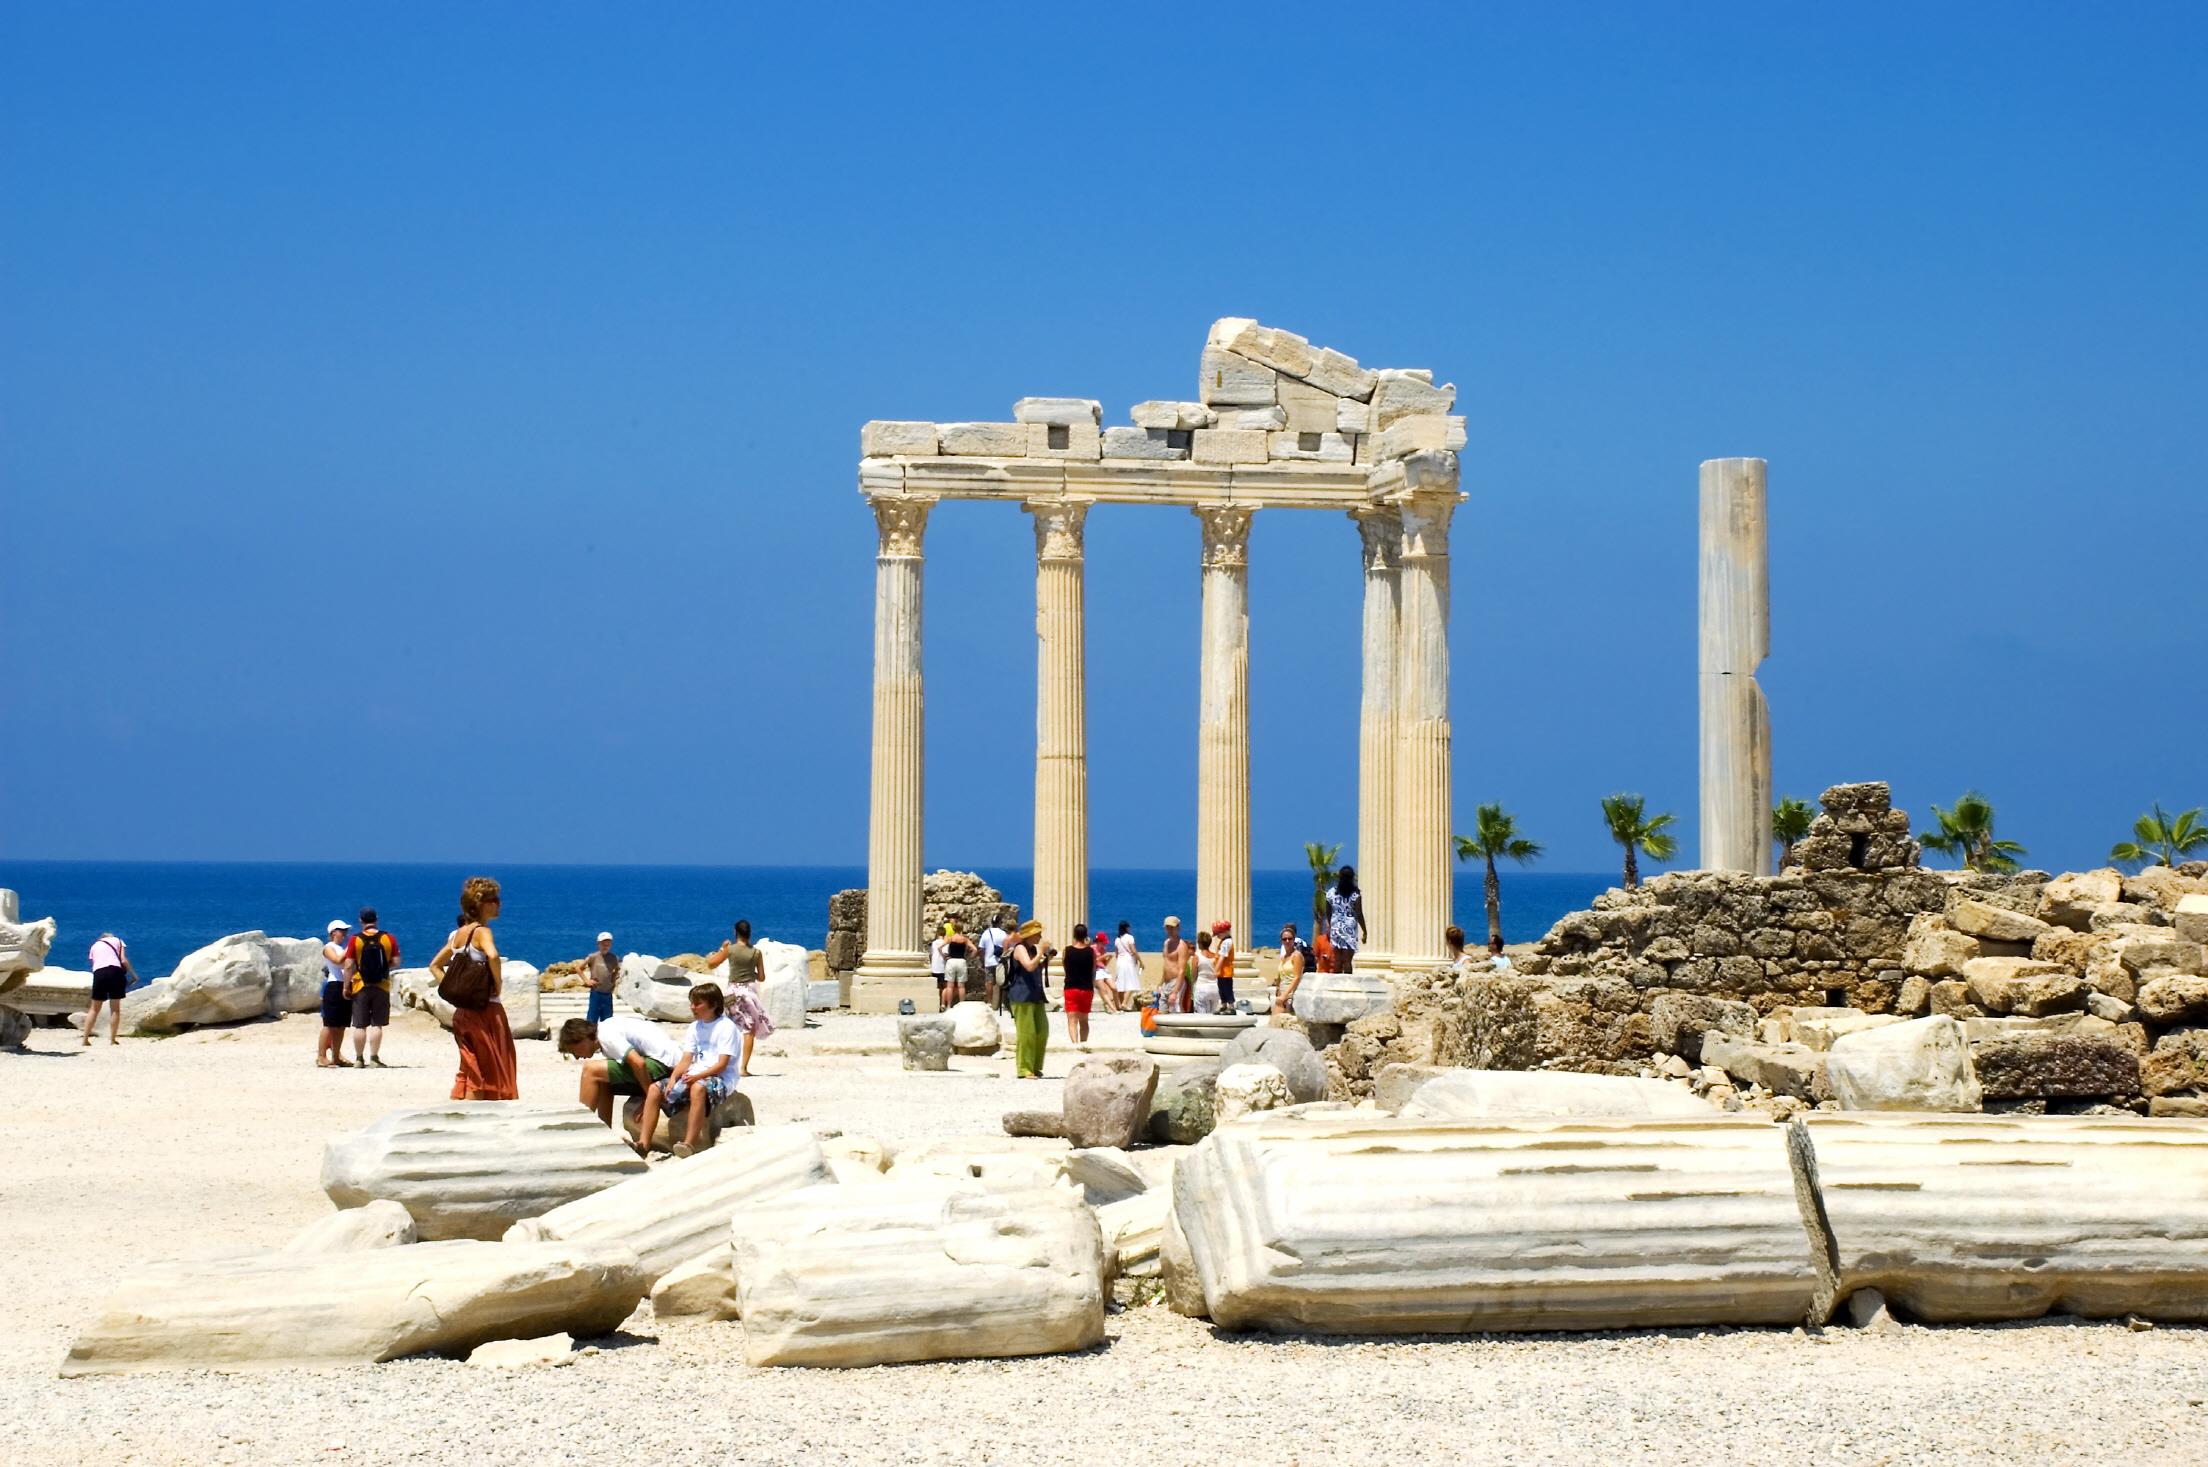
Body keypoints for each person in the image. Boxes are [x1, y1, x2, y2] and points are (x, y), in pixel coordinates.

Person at [427, 877, 518, 1100]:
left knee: (471, 1067)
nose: (499, 904)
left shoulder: (459, 934)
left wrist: (455, 990)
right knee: (493, 1068)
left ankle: (464, 1112)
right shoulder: (482, 932)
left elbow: (435, 966)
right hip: (486, 1011)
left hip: (463, 1013)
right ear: (482, 904)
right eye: (494, 899)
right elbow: (493, 956)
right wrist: (497, 984)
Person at [632, 983, 738, 1159]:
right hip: (695, 1074)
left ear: (713, 1004)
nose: (693, 1007)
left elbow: (722, 1065)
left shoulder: (726, 1027)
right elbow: (686, 1059)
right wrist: (673, 1078)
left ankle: (689, 1143)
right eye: (692, 1003)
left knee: (698, 1087)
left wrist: (697, 1076)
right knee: (654, 1088)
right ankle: (644, 1144)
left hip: (721, 1078)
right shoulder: (694, 1027)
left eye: (698, 1003)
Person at [557, 1013, 683, 1131]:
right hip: (665, 1060)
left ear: (582, 1038)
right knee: (602, 1080)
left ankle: (581, 1125)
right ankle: (605, 1131)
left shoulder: (606, 1037)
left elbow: (639, 1063)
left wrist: (648, 1097)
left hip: (666, 1064)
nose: (577, 1057)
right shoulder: (606, 1028)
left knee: (590, 1070)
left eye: (574, 1051)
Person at [703, 919, 774, 1077]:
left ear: (736, 933)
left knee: (727, 1026)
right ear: (749, 934)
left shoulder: (730, 950)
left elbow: (711, 963)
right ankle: (743, 1068)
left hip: (732, 992)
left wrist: (723, 948)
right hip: (748, 992)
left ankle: (718, 1063)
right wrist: (751, 973)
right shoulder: (756, 952)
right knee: (749, 1029)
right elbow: (761, 977)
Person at [345, 907, 399, 1068]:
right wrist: (383, 969)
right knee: (377, 1024)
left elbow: (348, 965)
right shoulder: (389, 938)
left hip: (360, 984)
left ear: (361, 920)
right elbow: (396, 961)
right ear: (376, 919)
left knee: (360, 1025)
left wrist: (346, 986)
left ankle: (359, 1059)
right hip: (381, 985)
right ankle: (374, 1058)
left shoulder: (355, 940)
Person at [1005, 919, 1050, 1079]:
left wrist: (1043, 957)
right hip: (1021, 994)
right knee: (1026, 1033)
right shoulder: (1020, 949)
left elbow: (1035, 966)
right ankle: (1024, 1068)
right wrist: (1040, 953)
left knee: (1042, 1030)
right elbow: (1029, 966)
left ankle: (1036, 1066)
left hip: (1035, 994)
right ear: (1030, 935)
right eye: (1038, 934)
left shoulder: (1031, 949)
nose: (1040, 937)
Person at [84, 932, 136, 1047]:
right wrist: (133, 975)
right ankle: (112, 1039)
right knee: (115, 1009)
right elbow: (123, 960)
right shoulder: (118, 940)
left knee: (94, 1009)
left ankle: (85, 1039)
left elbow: (95, 962)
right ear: (110, 936)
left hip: (99, 973)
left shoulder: (94, 946)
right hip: (115, 972)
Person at [318, 920, 354, 1067]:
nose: (344, 933)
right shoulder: (329, 947)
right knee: (330, 1023)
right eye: (341, 930)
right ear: (333, 933)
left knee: (341, 1025)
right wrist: (350, 948)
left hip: (344, 984)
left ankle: (336, 1055)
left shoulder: (341, 948)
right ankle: (321, 1056)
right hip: (333, 985)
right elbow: (338, 960)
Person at [1327, 867, 1369, 974]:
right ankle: (1348, 984)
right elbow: (1359, 914)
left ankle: (1336, 986)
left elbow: (1328, 911)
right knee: (1347, 961)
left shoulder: (1331, 892)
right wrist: (1364, 930)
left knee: (1337, 960)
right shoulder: (1355, 894)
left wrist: (1331, 924)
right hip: (1349, 928)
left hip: (1336, 926)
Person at [1061, 922, 1096, 1045]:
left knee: (1072, 1020)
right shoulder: (1091, 952)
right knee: (1084, 1020)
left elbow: (1065, 967)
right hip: (1086, 988)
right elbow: (1093, 969)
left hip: (1071, 987)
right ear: (1086, 935)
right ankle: (1084, 1043)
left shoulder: (1067, 950)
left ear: (1074, 935)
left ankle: (1075, 1045)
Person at [1274, 922, 1312, 1015]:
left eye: (1290, 939)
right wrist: (1278, 990)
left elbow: (1297, 977)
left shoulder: (1297, 955)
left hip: (1291, 995)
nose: (1287, 941)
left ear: (1294, 939)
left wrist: (1285, 995)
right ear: (1281, 941)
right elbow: (1280, 976)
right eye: (1284, 939)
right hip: (1282, 995)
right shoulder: (1283, 957)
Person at [581, 932, 619, 1024]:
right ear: (598, 944)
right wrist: (586, 981)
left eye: (608, 944)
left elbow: (617, 969)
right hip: (596, 992)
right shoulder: (593, 957)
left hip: (608, 994)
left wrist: (613, 981)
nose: (605, 946)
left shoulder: (613, 958)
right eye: (603, 944)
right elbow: (579, 968)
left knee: (608, 1020)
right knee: (592, 1019)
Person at [1157, 916, 1190, 1014]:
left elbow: (1182, 970)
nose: (1169, 930)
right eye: (1167, 927)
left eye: (1172, 927)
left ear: (1178, 927)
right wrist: (1161, 984)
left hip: (1176, 982)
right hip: (1166, 983)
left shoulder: (1181, 946)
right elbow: (1166, 964)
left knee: (1176, 1011)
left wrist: (1175, 992)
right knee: (1161, 1012)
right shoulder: (1166, 943)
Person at [940, 921, 974, 1010]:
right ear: (962, 929)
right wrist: (969, 958)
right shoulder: (965, 939)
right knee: (961, 985)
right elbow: (974, 949)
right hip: (961, 961)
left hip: (951, 961)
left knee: (950, 985)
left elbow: (939, 947)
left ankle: (948, 1005)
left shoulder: (951, 938)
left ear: (954, 929)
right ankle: (962, 1006)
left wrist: (944, 956)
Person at [978, 913, 1010, 1008]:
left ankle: (989, 1002)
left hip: (989, 961)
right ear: (1000, 922)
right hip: (1000, 962)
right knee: (1002, 981)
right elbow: (1007, 947)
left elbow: (981, 948)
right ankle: (1001, 1002)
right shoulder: (1003, 933)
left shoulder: (986, 933)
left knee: (989, 982)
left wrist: (982, 960)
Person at [1110, 921, 1141, 1013]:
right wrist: (1140, 961)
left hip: (1120, 961)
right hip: (1128, 960)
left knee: (1121, 982)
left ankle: (1119, 1005)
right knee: (1132, 982)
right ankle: (1124, 1003)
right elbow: (1133, 951)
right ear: (1127, 928)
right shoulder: (1130, 938)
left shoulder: (1117, 939)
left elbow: (1116, 953)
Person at [1191, 931, 1221, 1014]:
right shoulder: (1216, 957)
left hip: (1202, 987)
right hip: (1215, 988)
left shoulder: (1197, 957)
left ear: (1199, 943)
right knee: (1213, 1015)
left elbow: (1193, 974)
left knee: (1202, 1017)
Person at [1211, 919, 1237, 1011]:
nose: (1218, 936)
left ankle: (1231, 1005)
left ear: (1225, 932)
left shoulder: (1227, 942)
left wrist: (1216, 969)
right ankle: (1224, 1004)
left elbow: (1222, 957)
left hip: (1226, 972)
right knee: (1221, 989)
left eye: (1219, 933)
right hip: (1222, 972)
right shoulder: (1223, 941)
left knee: (1227, 989)